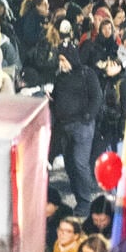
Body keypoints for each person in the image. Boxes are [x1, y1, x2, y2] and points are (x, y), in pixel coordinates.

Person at [51, 44, 102, 217]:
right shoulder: (60, 78)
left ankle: (85, 201)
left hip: (82, 126)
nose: (61, 63)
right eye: (59, 60)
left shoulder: (87, 74)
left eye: (63, 60)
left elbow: (97, 96)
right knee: (70, 165)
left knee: (80, 163)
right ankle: (79, 199)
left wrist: (88, 116)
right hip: (64, 127)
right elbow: (57, 98)